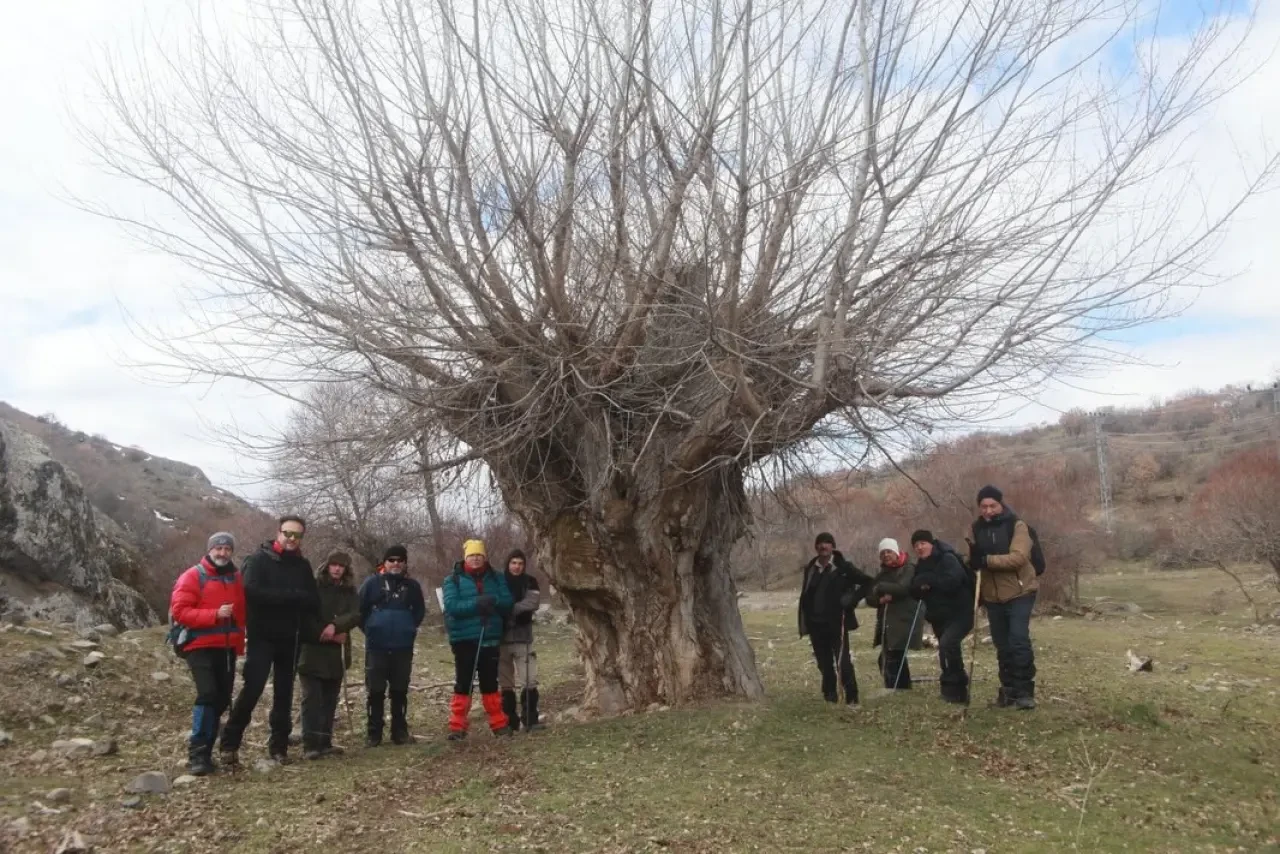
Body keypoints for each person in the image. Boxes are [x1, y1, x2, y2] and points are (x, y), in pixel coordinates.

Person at [219, 515, 320, 765]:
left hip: (291, 637)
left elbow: (313, 599)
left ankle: (279, 747)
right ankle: (229, 743)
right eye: (287, 533)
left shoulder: (303, 566)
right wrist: (292, 597)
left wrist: (296, 602)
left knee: (284, 694)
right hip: (262, 636)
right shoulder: (258, 560)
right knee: (252, 689)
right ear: (278, 532)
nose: (291, 539)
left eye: (297, 535)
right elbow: (252, 593)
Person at [169, 532, 246, 776]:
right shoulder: (192, 576)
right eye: (218, 548)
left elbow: (244, 611)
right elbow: (180, 611)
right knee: (208, 694)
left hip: (226, 646)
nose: (222, 553)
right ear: (210, 550)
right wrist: (214, 614)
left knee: (222, 698)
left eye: (227, 549)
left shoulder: (236, 577)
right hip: (199, 645)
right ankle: (198, 754)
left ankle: (208, 750)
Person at [967, 485, 1038, 710]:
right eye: (983, 506)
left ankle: (1025, 692)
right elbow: (974, 559)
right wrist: (972, 561)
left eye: (992, 505)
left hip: (1020, 591)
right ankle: (1008, 692)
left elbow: (1018, 558)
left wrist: (986, 561)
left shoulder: (1017, 525)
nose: (988, 510)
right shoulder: (976, 528)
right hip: (993, 596)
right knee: (1002, 645)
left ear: (1001, 504)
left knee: (1018, 640)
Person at [442, 539, 514, 739]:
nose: (475, 559)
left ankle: (499, 724)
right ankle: (457, 726)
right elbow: (452, 607)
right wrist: (477, 603)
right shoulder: (452, 580)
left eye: (479, 555)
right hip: (463, 639)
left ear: (485, 557)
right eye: (472, 556)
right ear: (465, 557)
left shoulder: (497, 577)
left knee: (490, 682)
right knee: (464, 682)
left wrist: (493, 601)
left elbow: (507, 602)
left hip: (489, 636)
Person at [358, 544, 427, 746]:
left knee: (399, 690)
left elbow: (419, 611)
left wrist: (408, 628)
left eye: (400, 560)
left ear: (405, 563)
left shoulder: (412, 586)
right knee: (376, 690)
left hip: (402, 647)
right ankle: (374, 733)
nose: (396, 564)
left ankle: (400, 732)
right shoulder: (371, 583)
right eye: (391, 560)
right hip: (376, 646)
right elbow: (359, 610)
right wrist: (371, 629)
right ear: (384, 563)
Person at [297, 551, 361, 759]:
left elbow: (356, 614)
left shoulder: (349, 591)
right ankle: (310, 745)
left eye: (341, 566)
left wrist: (336, 625)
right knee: (311, 700)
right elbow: (305, 618)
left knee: (330, 699)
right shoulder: (313, 587)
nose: (337, 569)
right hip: (312, 651)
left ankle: (325, 742)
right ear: (327, 565)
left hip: (337, 654)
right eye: (333, 565)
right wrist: (328, 633)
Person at [797, 532, 872, 706]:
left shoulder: (844, 567)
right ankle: (830, 696)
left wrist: (852, 599)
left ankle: (852, 697)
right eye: (820, 543)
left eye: (827, 543)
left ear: (833, 547)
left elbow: (868, 582)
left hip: (837, 623)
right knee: (824, 664)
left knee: (843, 662)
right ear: (816, 547)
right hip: (815, 625)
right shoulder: (811, 568)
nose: (823, 546)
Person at [909, 530, 974, 704]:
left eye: (923, 543)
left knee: (948, 644)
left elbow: (953, 581)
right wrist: (921, 585)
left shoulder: (947, 558)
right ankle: (952, 691)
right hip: (938, 615)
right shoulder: (920, 565)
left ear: (931, 543)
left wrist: (929, 581)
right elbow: (914, 589)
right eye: (916, 546)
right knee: (946, 650)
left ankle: (958, 687)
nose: (919, 548)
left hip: (961, 612)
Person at [867, 538, 923, 690]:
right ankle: (900, 687)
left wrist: (881, 588)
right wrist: (880, 599)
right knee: (891, 655)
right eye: (883, 553)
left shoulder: (908, 568)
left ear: (896, 552)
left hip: (905, 618)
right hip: (887, 620)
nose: (886, 555)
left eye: (889, 551)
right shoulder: (882, 573)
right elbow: (869, 598)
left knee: (892, 655)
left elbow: (903, 588)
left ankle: (896, 688)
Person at [499, 549, 543, 732]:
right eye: (513, 563)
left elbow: (532, 603)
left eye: (520, 563)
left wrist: (508, 609)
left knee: (529, 679)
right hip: (501, 639)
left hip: (523, 637)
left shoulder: (530, 581)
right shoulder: (499, 581)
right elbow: (494, 602)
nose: (517, 567)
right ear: (508, 564)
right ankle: (509, 721)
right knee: (505, 682)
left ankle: (530, 719)